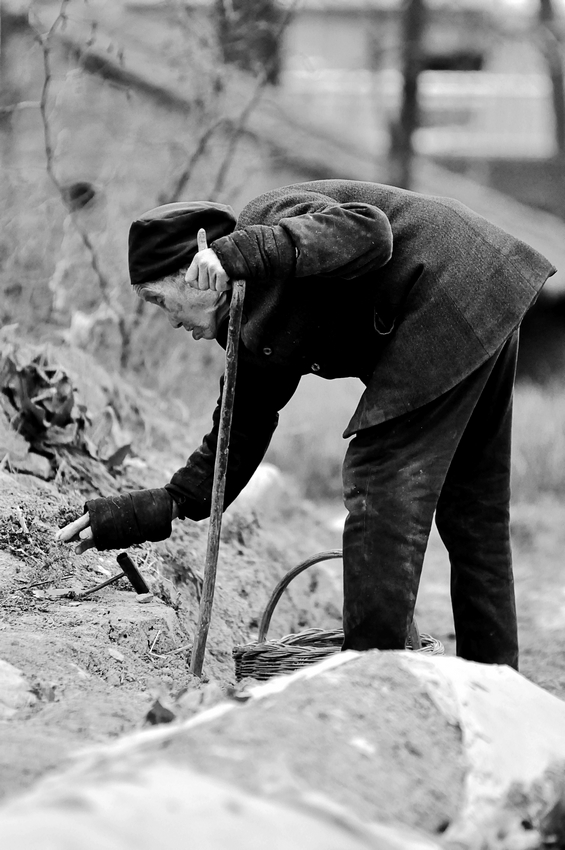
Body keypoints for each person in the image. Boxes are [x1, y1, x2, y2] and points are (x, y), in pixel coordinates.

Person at [57, 180, 557, 670]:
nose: (168, 321)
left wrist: (240, 253)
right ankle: (495, 682)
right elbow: (239, 434)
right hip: (482, 293)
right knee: (473, 512)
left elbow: (370, 232)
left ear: (194, 269)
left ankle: (371, 677)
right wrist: (152, 508)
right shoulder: (250, 329)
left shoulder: (269, 221)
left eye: (158, 300)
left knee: (380, 476)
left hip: (453, 282)